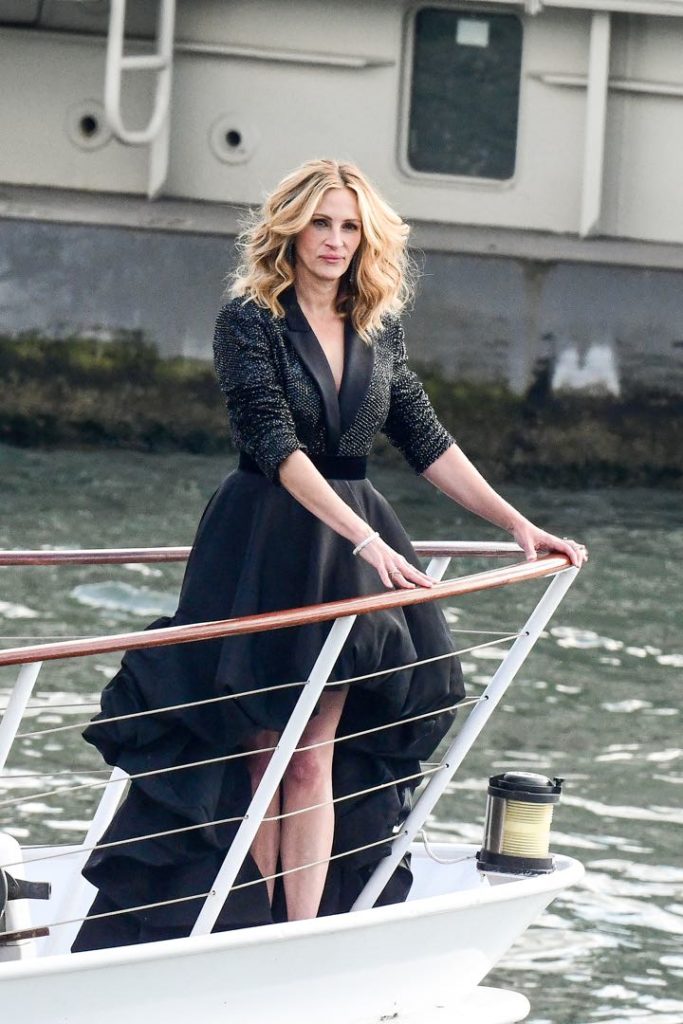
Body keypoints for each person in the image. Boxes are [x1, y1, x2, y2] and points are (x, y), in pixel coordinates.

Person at [72, 158, 587, 951]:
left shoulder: (376, 324)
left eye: (349, 226)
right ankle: (251, 929)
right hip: (260, 543)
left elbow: (425, 440)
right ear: (290, 228)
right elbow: (273, 445)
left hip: (347, 548)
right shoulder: (249, 320)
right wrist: (366, 538)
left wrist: (518, 524)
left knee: (312, 757)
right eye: (320, 222)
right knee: (263, 753)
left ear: (367, 237)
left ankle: (301, 936)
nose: (335, 240)